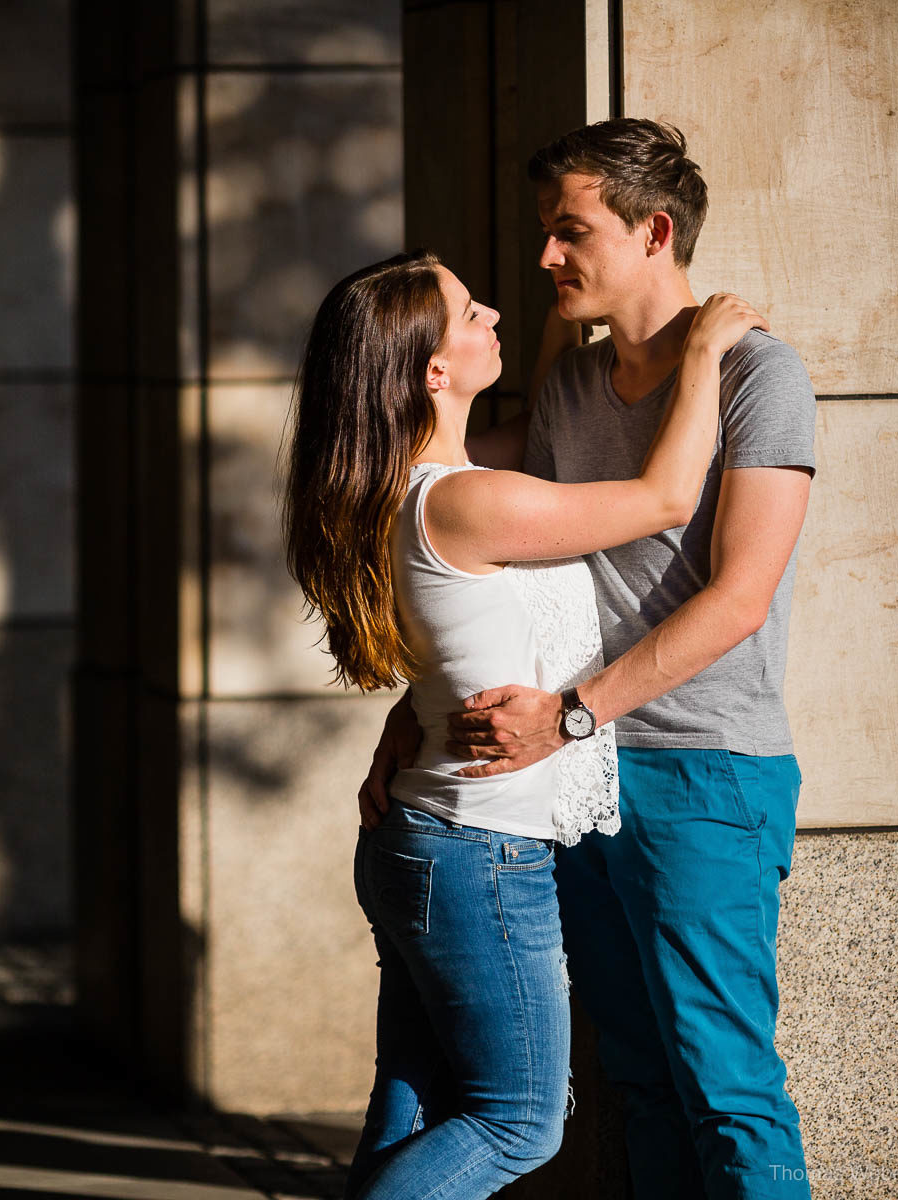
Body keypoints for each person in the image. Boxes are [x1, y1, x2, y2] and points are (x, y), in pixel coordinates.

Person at [368, 119, 817, 1199]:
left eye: (569, 232)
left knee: (726, 1085)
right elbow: (462, 541)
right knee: (636, 1082)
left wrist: (570, 713)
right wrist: (413, 719)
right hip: (574, 777)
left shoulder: (760, 376)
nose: (544, 261)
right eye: (544, 233)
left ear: (654, 231)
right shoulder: (569, 385)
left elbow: (740, 598)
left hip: (700, 767)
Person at [283, 244, 767, 1199]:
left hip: (426, 840)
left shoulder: (418, 484)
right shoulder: (471, 499)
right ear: (432, 369)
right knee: (517, 1124)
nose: (495, 316)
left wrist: (561, 328)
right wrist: (707, 350)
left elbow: (539, 413)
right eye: (471, 315)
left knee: (415, 1102)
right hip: (478, 853)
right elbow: (667, 498)